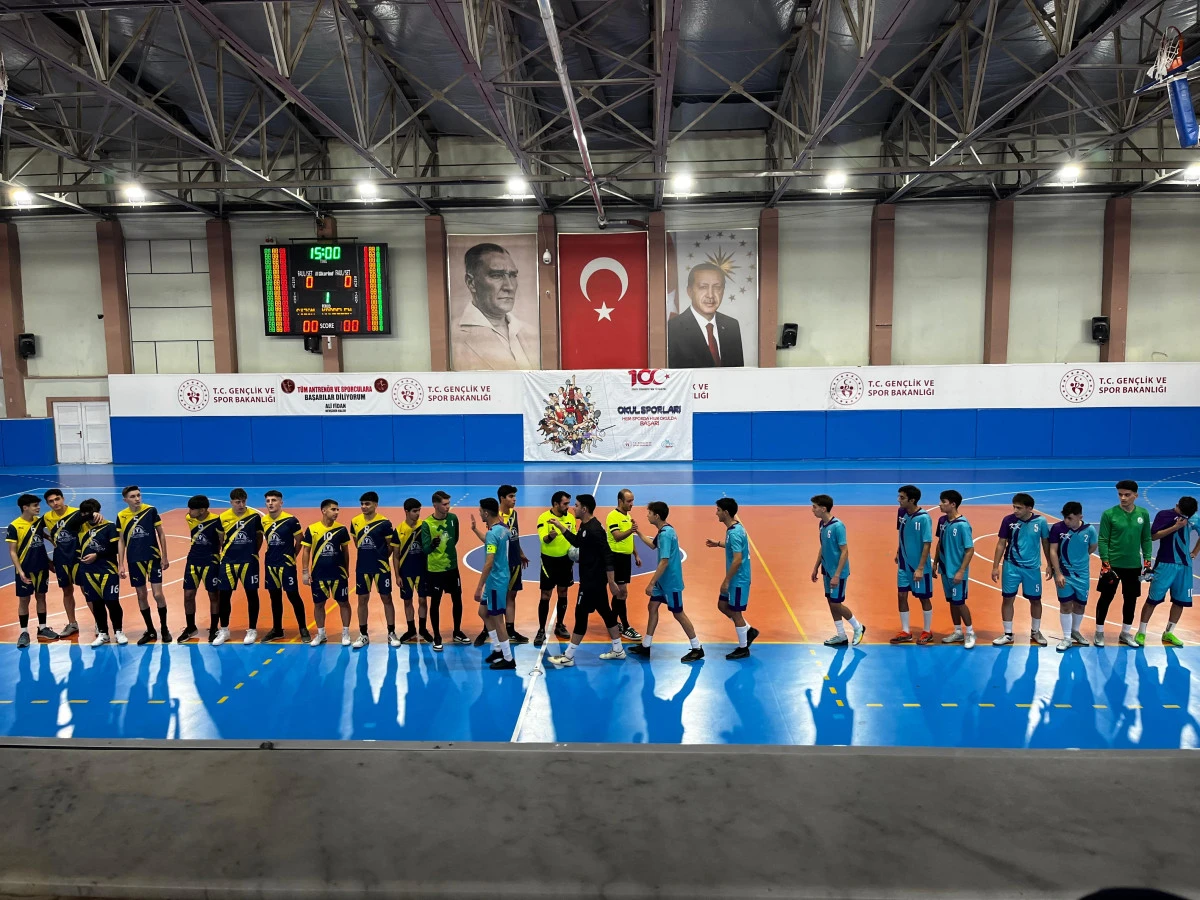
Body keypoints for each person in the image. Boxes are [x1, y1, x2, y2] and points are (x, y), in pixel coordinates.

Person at [545, 493, 626, 667]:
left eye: (576, 505)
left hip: (592, 582)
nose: (573, 508)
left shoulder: (595, 530)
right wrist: (560, 526)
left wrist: (612, 582)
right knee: (606, 612)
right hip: (591, 579)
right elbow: (577, 541)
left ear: (584, 509)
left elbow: (608, 556)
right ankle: (618, 649)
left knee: (580, 615)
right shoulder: (584, 525)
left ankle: (568, 656)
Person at [628, 501, 704, 663]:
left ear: (656, 516)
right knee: (652, 607)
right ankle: (646, 646)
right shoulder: (664, 530)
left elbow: (664, 561)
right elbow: (652, 545)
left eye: (649, 513)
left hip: (671, 583)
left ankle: (697, 648)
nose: (647, 515)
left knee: (678, 614)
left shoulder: (666, 534)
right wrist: (638, 531)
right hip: (662, 582)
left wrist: (651, 583)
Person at [452, 242, 538, 370]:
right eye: (496, 275)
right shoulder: (452, 338)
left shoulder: (532, 333)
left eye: (513, 275)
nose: (509, 286)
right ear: (471, 283)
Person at [1095, 480, 1153, 647]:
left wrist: (1147, 562)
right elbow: (1103, 539)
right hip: (1112, 566)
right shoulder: (1109, 514)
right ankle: (1099, 632)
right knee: (1105, 598)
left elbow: (1146, 539)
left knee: (1131, 600)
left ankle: (1125, 633)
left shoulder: (1143, 514)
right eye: (1120, 494)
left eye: (1127, 495)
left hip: (1133, 566)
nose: (1123, 498)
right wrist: (1106, 563)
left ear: (1136, 495)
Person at [471, 485, 530, 646]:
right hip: (501, 565)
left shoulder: (514, 514)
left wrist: (520, 553)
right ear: (502, 498)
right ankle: (488, 632)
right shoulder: (496, 519)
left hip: (514, 561)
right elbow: (492, 542)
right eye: (511, 496)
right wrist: (475, 529)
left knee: (511, 596)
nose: (514, 499)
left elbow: (514, 537)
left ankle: (509, 631)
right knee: (493, 603)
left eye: (514, 496)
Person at [1135, 496, 1198, 647]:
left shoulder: (1194, 517)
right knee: (1152, 600)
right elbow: (1153, 536)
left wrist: (1195, 552)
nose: (1185, 517)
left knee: (1180, 601)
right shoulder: (1164, 515)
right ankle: (1141, 632)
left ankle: (1169, 632)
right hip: (1165, 564)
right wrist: (1176, 527)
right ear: (1177, 505)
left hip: (1185, 566)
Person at [990, 493, 1050, 647]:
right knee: (1007, 599)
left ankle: (1035, 631)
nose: (1015, 510)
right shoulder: (1008, 521)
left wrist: (1049, 564)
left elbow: (1045, 543)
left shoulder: (1041, 521)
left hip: (1032, 569)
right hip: (1011, 566)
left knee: (1035, 600)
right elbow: (1001, 544)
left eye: (1019, 508)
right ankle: (1008, 634)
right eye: (1014, 507)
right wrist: (995, 567)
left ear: (1029, 508)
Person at [705, 498, 759, 659]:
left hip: (738, 580)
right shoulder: (735, 528)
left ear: (726, 512)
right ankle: (749, 630)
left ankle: (743, 648)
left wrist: (726, 581)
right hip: (736, 578)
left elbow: (737, 559)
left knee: (736, 613)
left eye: (718, 510)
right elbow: (735, 547)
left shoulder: (734, 532)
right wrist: (718, 543)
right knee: (722, 605)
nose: (716, 513)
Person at [116, 486, 171, 645]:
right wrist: (121, 564)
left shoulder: (150, 510)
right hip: (134, 560)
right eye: (133, 496)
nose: (137, 499)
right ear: (125, 500)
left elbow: (161, 533)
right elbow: (121, 540)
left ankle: (164, 628)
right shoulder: (121, 515)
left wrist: (164, 556)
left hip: (153, 558)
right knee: (141, 595)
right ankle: (150, 629)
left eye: (138, 495)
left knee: (158, 595)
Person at [809, 494, 864, 647]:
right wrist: (816, 567)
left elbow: (845, 551)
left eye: (814, 507)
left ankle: (858, 627)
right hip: (826, 570)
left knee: (836, 603)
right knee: (831, 601)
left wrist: (837, 575)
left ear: (823, 508)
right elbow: (823, 547)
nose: (812, 510)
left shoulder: (838, 526)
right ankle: (841, 635)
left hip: (837, 573)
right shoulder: (822, 524)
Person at [666, 262, 745, 368]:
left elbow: (738, 372)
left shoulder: (731, 325)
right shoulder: (673, 328)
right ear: (690, 291)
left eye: (717, 287)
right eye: (703, 287)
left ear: (723, 291)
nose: (710, 295)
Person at [350, 491, 399, 649]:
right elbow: (357, 542)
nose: (364, 506)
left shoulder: (384, 523)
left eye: (367, 503)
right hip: (362, 567)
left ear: (375, 505)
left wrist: (380, 557)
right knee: (362, 599)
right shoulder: (355, 521)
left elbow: (390, 546)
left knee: (387, 598)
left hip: (381, 567)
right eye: (362, 504)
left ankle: (391, 633)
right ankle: (363, 634)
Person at [472, 497, 516, 670]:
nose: (479, 513)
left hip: (496, 581)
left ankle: (508, 658)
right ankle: (497, 649)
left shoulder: (493, 533)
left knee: (498, 620)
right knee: (483, 612)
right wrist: (475, 530)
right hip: (497, 579)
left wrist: (479, 587)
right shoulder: (502, 528)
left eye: (480, 511)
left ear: (486, 513)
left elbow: (489, 562)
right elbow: (491, 542)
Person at [7, 493, 56, 648]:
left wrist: (49, 560)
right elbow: (13, 551)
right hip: (25, 570)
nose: (38, 508)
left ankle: (42, 628)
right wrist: (20, 571)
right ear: (25, 507)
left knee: (41, 597)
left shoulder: (39, 522)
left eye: (38, 505)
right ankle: (23, 632)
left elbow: (40, 539)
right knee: (24, 600)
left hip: (41, 567)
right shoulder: (14, 526)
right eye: (35, 505)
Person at [215, 488, 263, 646]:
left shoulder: (254, 517)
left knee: (252, 594)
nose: (241, 505)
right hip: (228, 562)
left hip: (249, 561)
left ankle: (252, 629)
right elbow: (220, 539)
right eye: (237, 502)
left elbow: (259, 537)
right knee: (224, 596)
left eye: (243, 501)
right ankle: (224, 630)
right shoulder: (223, 517)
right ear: (231, 502)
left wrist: (253, 553)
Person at [1048, 501, 1097, 652]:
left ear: (1080, 516)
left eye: (1070, 518)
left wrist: (1080, 558)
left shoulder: (1089, 530)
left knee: (1080, 605)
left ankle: (1075, 631)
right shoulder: (1058, 528)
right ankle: (1067, 638)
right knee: (1065, 605)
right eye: (1064, 517)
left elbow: (1092, 547)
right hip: (1064, 573)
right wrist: (1058, 573)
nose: (1066, 521)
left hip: (1082, 574)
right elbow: (1053, 551)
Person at [76, 498, 125, 647]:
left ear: (98, 512)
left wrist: (97, 555)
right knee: (96, 603)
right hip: (88, 571)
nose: (87, 517)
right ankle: (103, 633)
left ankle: (118, 631)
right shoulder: (80, 527)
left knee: (112, 602)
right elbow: (71, 526)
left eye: (90, 513)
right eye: (84, 514)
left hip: (107, 570)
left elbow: (114, 548)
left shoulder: (109, 526)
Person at [301, 499, 351, 646]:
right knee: (319, 604)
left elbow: (345, 551)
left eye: (337, 509)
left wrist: (346, 569)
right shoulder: (312, 529)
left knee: (344, 602)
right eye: (333, 509)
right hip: (319, 574)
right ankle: (321, 634)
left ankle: (346, 633)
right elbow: (306, 551)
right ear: (324, 511)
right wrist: (305, 572)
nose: (337, 512)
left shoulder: (341, 529)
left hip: (338, 574)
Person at [420, 490, 466, 650]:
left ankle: (457, 631)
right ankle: (437, 636)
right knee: (435, 602)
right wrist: (433, 545)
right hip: (435, 569)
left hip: (452, 566)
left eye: (448, 503)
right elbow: (425, 550)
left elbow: (455, 539)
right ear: (435, 505)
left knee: (457, 599)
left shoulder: (453, 519)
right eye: (445, 504)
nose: (448, 507)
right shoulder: (427, 524)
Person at [261, 490, 308, 643]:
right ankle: (277, 629)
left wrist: (293, 555)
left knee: (293, 595)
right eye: (268, 501)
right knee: (274, 597)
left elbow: (300, 539)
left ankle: (303, 628)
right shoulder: (264, 520)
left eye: (274, 500)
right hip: (270, 564)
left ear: (281, 503)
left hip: (286, 564)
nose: (270, 503)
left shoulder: (291, 520)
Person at [890, 485, 934, 644]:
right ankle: (906, 631)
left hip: (919, 566)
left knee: (924, 598)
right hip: (903, 564)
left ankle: (927, 631)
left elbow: (927, 544)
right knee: (901, 595)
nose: (898, 500)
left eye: (902, 497)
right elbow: (902, 533)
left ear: (912, 500)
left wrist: (921, 568)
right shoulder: (901, 512)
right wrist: (898, 551)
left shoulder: (924, 518)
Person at [933, 490, 976, 649]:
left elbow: (969, 549)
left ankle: (970, 632)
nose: (940, 504)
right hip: (945, 570)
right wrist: (935, 562)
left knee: (960, 603)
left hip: (957, 572)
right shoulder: (942, 521)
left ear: (953, 504)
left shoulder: (963, 525)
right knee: (952, 602)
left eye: (943, 501)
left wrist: (961, 571)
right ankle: (958, 631)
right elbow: (940, 543)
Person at [535, 490, 576, 646]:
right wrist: (550, 536)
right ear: (556, 504)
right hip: (549, 562)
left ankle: (560, 625)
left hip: (566, 561)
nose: (568, 506)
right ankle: (541, 630)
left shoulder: (570, 518)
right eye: (565, 503)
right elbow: (543, 539)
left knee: (563, 592)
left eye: (568, 503)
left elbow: (573, 537)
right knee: (545, 595)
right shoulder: (544, 518)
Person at [180, 495, 222, 643]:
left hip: (210, 561)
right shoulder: (190, 518)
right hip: (193, 560)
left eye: (192, 509)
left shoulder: (217, 521)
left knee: (213, 595)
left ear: (202, 510)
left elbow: (222, 541)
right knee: (188, 595)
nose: (189, 512)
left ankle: (214, 628)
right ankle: (191, 627)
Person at [41, 489, 82, 637]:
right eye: (51, 501)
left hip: (78, 558)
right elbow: (35, 533)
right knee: (67, 591)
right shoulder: (47, 517)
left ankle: (99, 624)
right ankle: (72, 623)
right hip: (61, 559)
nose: (55, 503)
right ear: (48, 504)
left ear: (63, 498)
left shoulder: (77, 513)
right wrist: (48, 539)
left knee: (87, 591)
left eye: (57, 499)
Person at [392, 498, 430, 643]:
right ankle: (411, 630)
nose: (418, 514)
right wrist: (397, 575)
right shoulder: (399, 530)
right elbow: (396, 556)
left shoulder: (424, 526)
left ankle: (423, 629)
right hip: (406, 572)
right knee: (407, 601)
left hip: (422, 571)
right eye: (415, 511)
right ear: (406, 511)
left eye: (419, 510)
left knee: (422, 600)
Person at [606, 488, 642, 641]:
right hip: (616, 558)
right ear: (620, 501)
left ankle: (613, 623)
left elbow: (629, 538)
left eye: (632, 500)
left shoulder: (627, 515)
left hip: (625, 559)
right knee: (622, 593)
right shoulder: (613, 516)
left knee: (620, 594)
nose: (632, 504)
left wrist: (636, 554)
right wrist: (631, 530)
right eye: (629, 501)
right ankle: (626, 626)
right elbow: (617, 536)